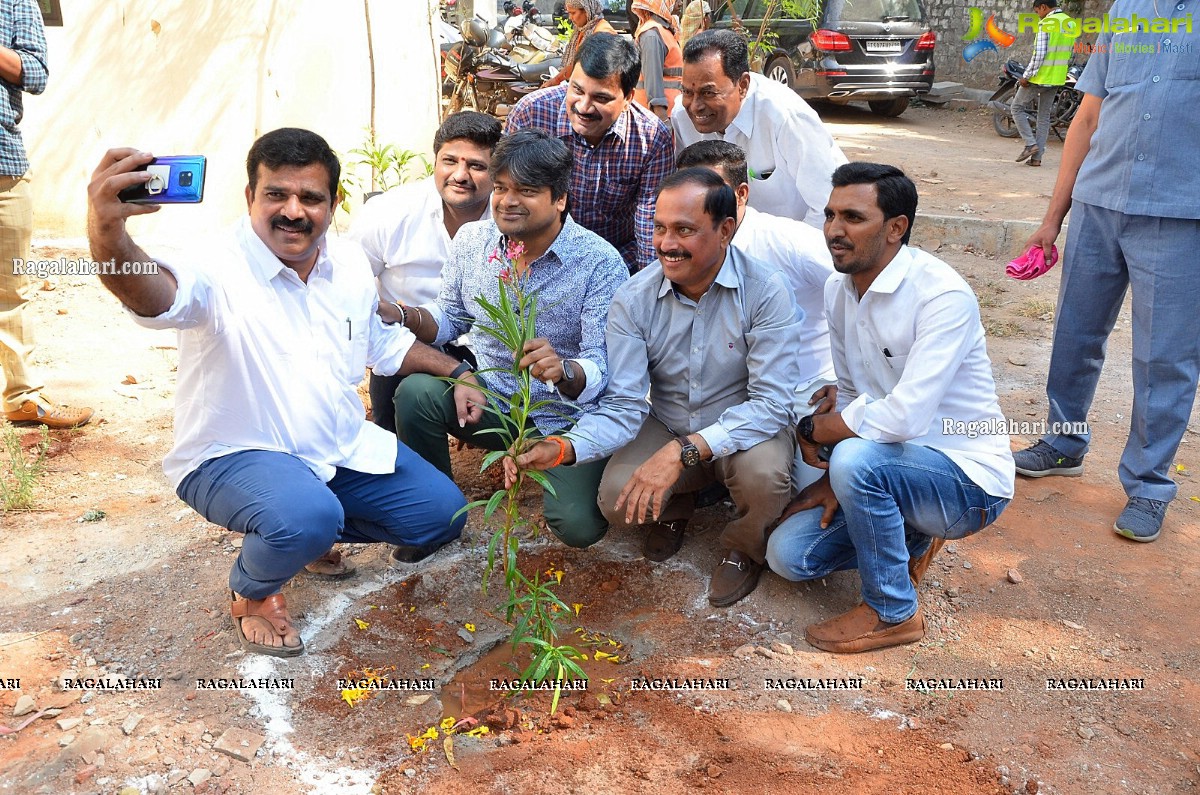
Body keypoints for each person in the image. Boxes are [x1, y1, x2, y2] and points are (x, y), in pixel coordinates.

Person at [85, 129, 470, 657]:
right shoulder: (214, 264)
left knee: (442, 515)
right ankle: (253, 590)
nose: (293, 211)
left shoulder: (350, 264)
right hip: (233, 455)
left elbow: (382, 342)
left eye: (310, 197)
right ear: (250, 198)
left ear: (333, 204)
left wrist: (458, 371)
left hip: (336, 447)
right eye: (276, 195)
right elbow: (155, 296)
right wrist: (108, 233)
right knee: (306, 517)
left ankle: (302, 534)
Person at [510, 168, 802, 608]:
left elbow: (772, 405)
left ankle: (745, 548)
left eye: (684, 229)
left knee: (765, 477)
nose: (666, 243)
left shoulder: (765, 291)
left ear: (725, 230)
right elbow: (625, 404)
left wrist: (681, 452)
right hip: (667, 420)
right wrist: (562, 449)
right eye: (660, 228)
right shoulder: (634, 297)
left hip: (744, 427)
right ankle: (679, 506)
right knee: (614, 500)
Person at [766, 163, 1014, 653]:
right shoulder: (840, 288)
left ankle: (893, 612)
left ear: (896, 227)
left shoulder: (941, 295)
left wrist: (825, 435)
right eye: (830, 215)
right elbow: (855, 392)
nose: (834, 230)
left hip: (965, 481)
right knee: (789, 556)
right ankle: (911, 535)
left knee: (857, 460)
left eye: (853, 217)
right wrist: (836, 473)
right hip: (892, 465)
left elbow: (904, 418)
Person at [1012, 0, 1198, 543]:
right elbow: (1089, 115)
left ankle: (1148, 485)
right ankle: (1064, 442)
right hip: (1098, 201)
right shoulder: (1126, 10)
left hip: (1180, 212)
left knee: (1165, 355)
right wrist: (1054, 216)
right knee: (1075, 333)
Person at [394, 128, 628, 550]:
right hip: (497, 402)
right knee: (416, 393)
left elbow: (603, 362)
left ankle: (577, 468)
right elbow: (450, 318)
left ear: (559, 198)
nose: (507, 200)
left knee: (578, 526)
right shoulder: (474, 242)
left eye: (526, 190)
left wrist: (565, 370)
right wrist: (403, 314)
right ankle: (435, 515)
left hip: (565, 419)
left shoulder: (600, 264)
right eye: (501, 188)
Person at [675, 140, 836, 491]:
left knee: (801, 495)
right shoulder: (679, 247)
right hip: (728, 391)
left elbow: (859, 295)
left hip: (804, 392)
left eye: (711, 193)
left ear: (742, 193)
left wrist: (849, 380)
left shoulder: (790, 242)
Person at [348, 111, 500, 433]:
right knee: (394, 435)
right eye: (450, 161)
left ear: (497, 172)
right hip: (408, 343)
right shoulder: (390, 213)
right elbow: (348, 288)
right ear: (435, 160)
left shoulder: (509, 221)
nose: (460, 175)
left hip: (487, 349)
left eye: (476, 165)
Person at [506, 32, 674, 272]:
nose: (583, 107)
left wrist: (643, 291)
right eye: (577, 90)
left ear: (627, 98)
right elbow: (507, 199)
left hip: (616, 262)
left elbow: (651, 227)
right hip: (536, 258)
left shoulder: (652, 139)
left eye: (601, 98)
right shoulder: (531, 113)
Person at [1, 0, 93, 429]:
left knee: (10, 290)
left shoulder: (17, 1)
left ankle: (22, 398)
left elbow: (35, 74)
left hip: (4, 166)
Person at [672, 29, 847, 228]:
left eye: (708, 92)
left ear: (743, 85)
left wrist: (785, 254)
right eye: (687, 91)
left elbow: (829, 206)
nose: (695, 106)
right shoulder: (682, 117)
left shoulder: (785, 117)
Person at [1010, 0, 1078, 167]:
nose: (1037, 15)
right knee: (1044, 117)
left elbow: (1039, 54)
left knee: (1016, 108)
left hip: (1040, 77)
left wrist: (1026, 75)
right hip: (1057, 77)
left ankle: (1030, 144)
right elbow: (1071, 53)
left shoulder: (1047, 23)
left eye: (1037, 11)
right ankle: (1037, 158)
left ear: (1043, 7)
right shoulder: (1069, 22)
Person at [630, 0, 684, 121]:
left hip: (667, 112)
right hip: (656, 116)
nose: (680, 4)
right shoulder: (652, 34)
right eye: (676, 1)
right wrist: (664, 123)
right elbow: (653, 84)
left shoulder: (663, 30)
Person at [546, 0, 617, 88]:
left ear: (587, 11)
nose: (570, 18)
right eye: (569, 13)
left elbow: (583, 64)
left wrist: (556, 80)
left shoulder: (603, 32)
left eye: (573, 13)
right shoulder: (582, 30)